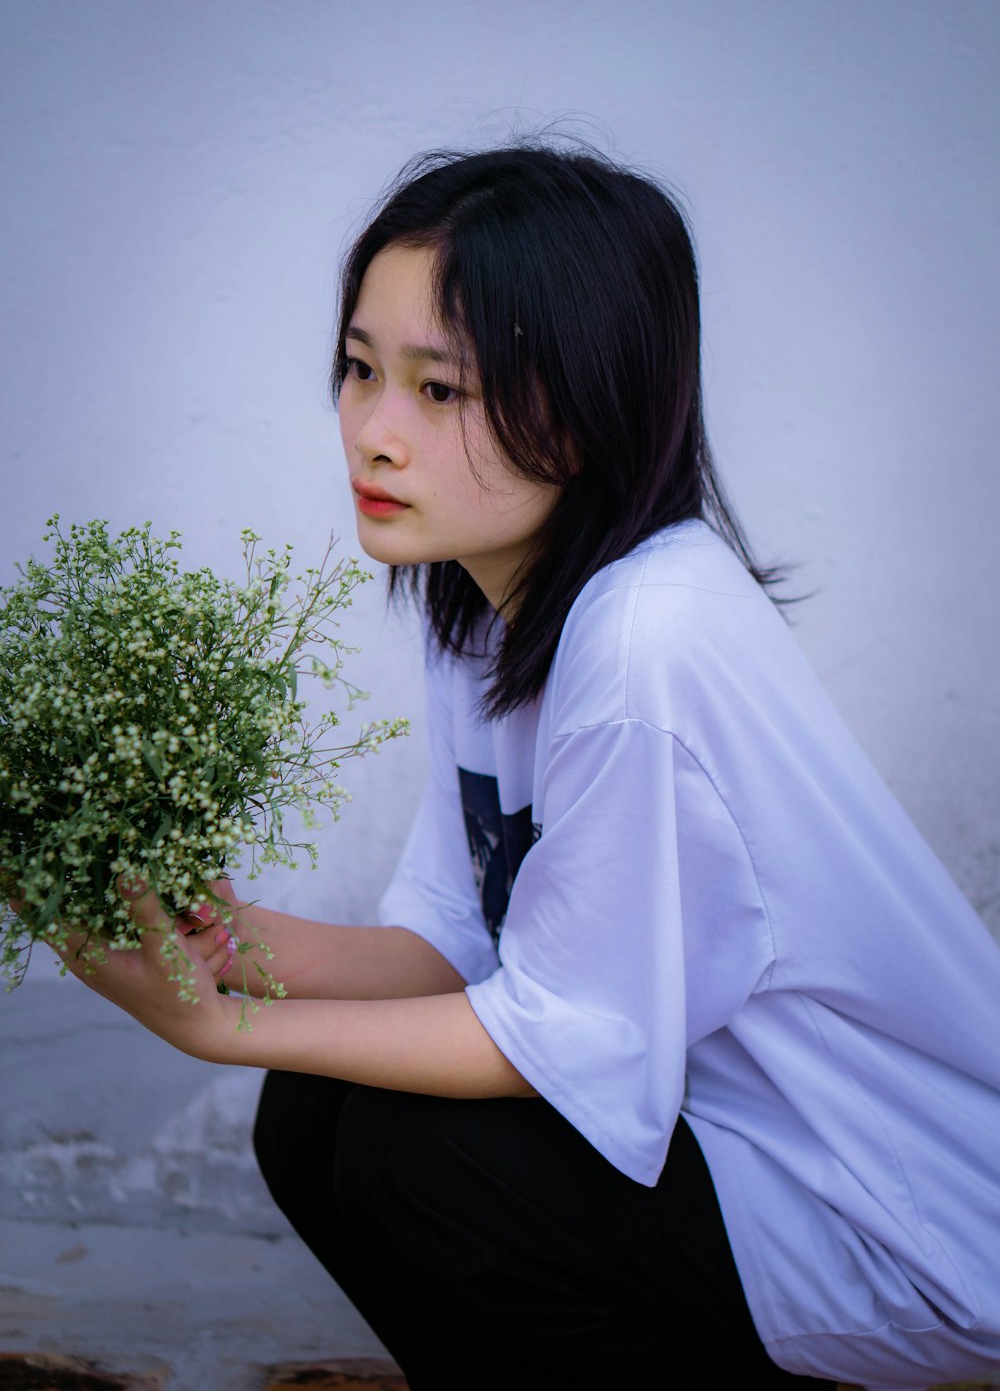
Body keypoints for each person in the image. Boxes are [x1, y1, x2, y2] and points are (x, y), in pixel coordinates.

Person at [49, 144, 1000, 1391]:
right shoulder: (487, 605)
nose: (374, 434)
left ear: (589, 399)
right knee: (319, 1106)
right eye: (358, 369)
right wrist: (221, 941)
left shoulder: (645, 638)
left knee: (422, 1160)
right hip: (732, 1150)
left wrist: (215, 1024)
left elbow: (566, 1037)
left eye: (440, 392)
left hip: (887, 1216)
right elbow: (457, 944)